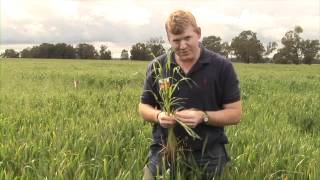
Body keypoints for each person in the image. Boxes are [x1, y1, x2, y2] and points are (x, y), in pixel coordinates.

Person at [139, 10, 242, 180]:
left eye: (187, 38)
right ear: (169, 39)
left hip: (208, 151)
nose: (182, 46)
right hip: (164, 149)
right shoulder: (158, 66)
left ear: (198, 33)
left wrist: (204, 117)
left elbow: (235, 114)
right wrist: (159, 115)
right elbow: (143, 107)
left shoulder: (222, 67)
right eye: (176, 41)